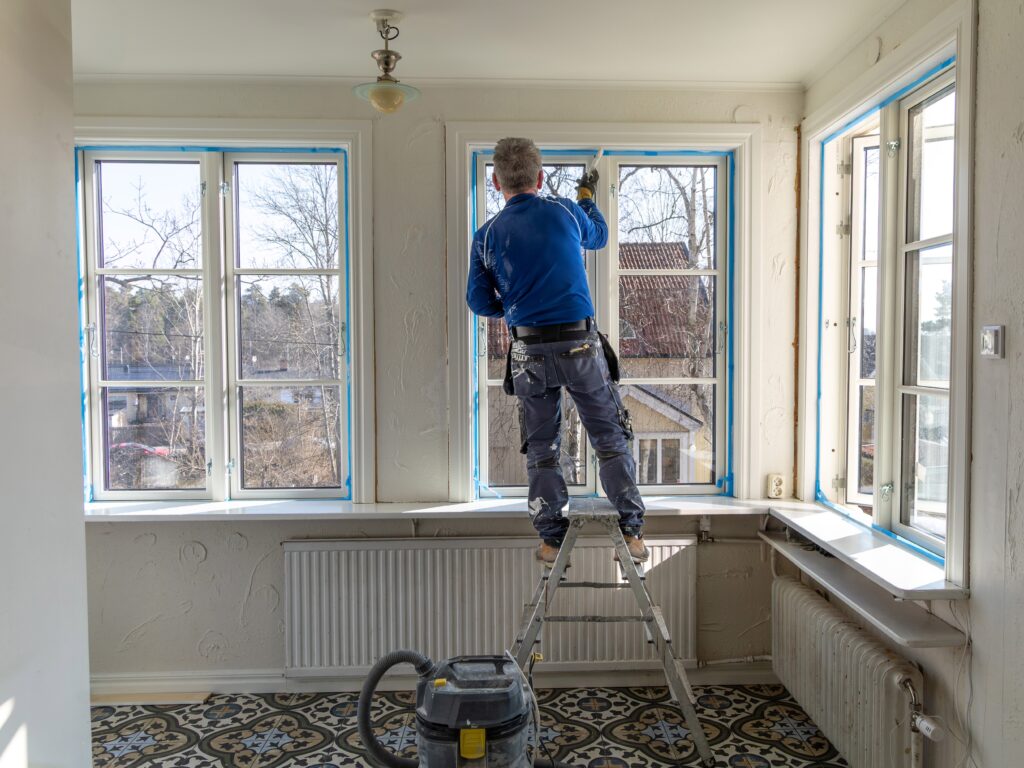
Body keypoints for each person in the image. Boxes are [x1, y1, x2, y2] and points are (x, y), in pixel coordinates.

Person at [466, 137, 647, 564]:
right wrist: (587, 199)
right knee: (609, 437)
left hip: (529, 351)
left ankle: (550, 539)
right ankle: (632, 532)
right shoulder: (565, 210)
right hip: (579, 346)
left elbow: (478, 302)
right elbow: (598, 236)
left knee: (543, 447)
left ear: (496, 181)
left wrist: (512, 307)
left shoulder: (487, 235)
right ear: (540, 176)